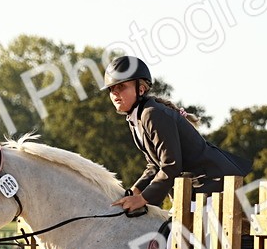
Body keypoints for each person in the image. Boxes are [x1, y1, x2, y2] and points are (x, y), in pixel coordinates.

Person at [104, 56, 251, 214]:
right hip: (193, 190)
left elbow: (171, 165)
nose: (115, 93)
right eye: (111, 89)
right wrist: (133, 192)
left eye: (121, 86)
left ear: (141, 89)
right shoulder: (136, 118)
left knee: (179, 230)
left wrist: (142, 199)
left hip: (212, 185)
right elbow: (154, 165)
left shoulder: (152, 114)